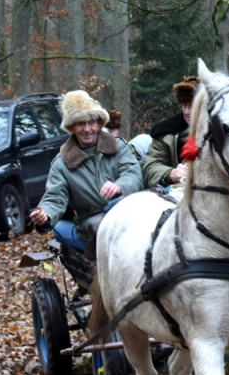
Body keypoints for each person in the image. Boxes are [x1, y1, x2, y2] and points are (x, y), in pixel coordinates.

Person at [29, 90, 143, 259]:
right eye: (81, 124)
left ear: (99, 123)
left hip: (127, 208)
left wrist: (119, 186)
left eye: (92, 122)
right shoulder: (61, 163)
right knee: (109, 227)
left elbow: (133, 173)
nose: (88, 129)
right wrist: (45, 215)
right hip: (92, 219)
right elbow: (54, 197)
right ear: (71, 127)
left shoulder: (118, 146)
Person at [142, 75, 198, 188]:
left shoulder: (225, 133)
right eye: (184, 105)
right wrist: (170, 174)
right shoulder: (166, 133)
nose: (187, 111)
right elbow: (150, 166)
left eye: (192, 105)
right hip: (176, 195)